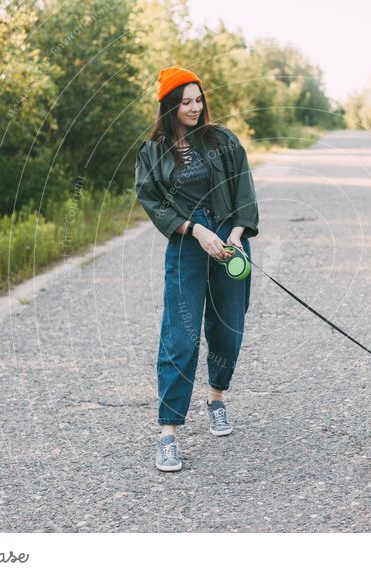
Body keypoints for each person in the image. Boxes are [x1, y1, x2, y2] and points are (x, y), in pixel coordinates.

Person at [135, 64, 259, 472]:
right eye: (185, 101)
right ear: (169, 106)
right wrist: (195, 230)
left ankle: (216, 398)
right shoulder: (153, 151)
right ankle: (168, 433)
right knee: (180, 336)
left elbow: (244, 187)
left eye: (198, 99)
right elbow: (154, 202)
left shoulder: (221, 140)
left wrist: (236, 234)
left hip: (229, 241)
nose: (194, 107)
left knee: (228, 328)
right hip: (188, 244)